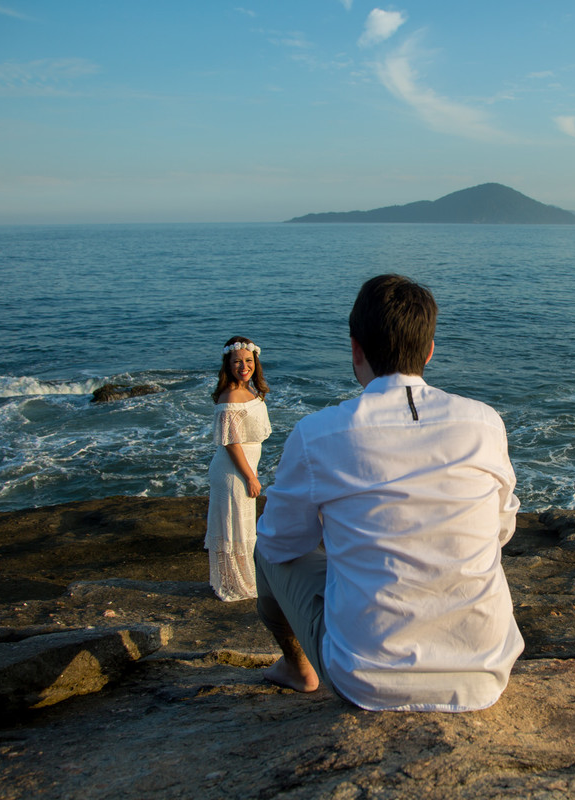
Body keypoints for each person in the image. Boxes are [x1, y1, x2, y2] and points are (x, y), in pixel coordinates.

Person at [254, 274, 523, 712]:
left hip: (366, 678)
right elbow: (501, 529)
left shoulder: (317, 435)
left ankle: (295, 666)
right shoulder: (484, 422)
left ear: (356, 348)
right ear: (430, 349)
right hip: (485, 671)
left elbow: (281, 542)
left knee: (263, 550)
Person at [205, 336, 272, 602]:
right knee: (236, 531)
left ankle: (242, 582)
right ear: (228, 364)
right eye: (237, 362)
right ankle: (236, 586)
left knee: (243, 530)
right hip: (233, 472)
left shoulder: (251, 390)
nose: (243, 366)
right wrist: (251, 477)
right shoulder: (231, 394)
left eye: (248, 360)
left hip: (240, 469)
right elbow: (232, 443)